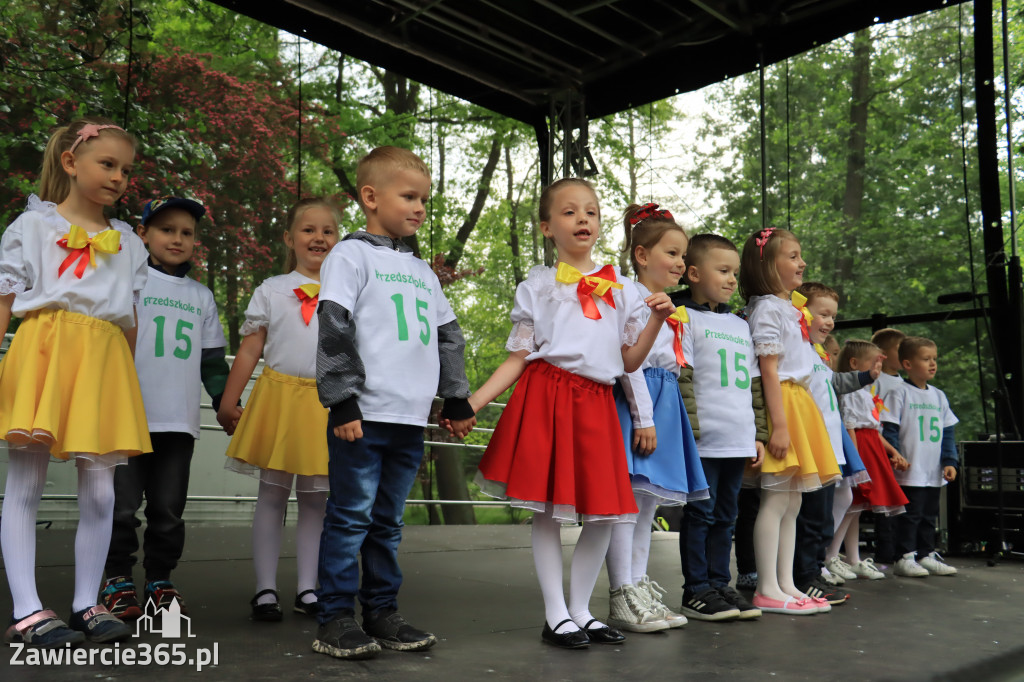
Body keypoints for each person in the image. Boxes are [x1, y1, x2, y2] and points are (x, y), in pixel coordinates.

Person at [472, 178, 674, 650]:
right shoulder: (539, 285)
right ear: (547, 227)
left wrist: (658, 320)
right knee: (548, 512)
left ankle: (582, 609)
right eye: (569, 212)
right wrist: (473, 402)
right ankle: (555, 613)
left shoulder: (622, 289)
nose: (583, 219)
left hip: (600, 403)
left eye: (591, 211)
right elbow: (518, 357)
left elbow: (629, 362)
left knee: (604, 513)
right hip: (548, 397)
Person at [313, 147, 475, 660]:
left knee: (388, 521)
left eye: (423, 198)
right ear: (370, 197)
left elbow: (448, 336)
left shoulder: (422, 271)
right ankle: (335, 618)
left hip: (409, 419)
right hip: (362, 417)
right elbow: (334, 323)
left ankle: (381, 612)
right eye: (408, 196)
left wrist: (456, 397)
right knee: (350, 517)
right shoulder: (350, 255)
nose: (420, 206)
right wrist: (340, 401)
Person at [0, 118, 149, 646]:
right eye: (107, 164)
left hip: (104, 363)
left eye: (125, 170)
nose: (118, 177)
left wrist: (125, 386)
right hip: (45, 353)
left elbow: (128, 320)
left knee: (103, 493)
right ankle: (27, 610)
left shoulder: (130, 243)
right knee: (26, 483)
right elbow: (4, 303)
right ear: (71, 162)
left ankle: (88, 601)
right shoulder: (31, 227)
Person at [102, 196, 228, 620]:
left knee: (168, 510)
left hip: (178, 422)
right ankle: (116, 580)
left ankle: (160, 581)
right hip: (125, 418)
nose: (177, 238)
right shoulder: (127, 282)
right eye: (166, 229)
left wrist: (228, 404)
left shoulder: (201, 296)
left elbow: (212, 363)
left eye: (186, 232)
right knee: (119, 507)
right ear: (143, 234)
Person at [217, 198, 339, 621]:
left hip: (324, 403)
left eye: (328, 230)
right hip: (278, 398)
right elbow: (251, 348)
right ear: (290, 238)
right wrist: (229, 401)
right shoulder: (271, 289)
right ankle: (265, 589)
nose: (318, 237)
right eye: (308, 229)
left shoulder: (348, 293)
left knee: (315, 500)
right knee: (271, 494)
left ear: (338, 241)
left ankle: (308, 588)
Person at [605, 204, 709, 633]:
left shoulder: (669, 307)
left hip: (665, 402)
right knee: (627, 504)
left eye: (683, 256)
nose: (681, 263)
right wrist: (643, 417)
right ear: (642, 255)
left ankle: (639, 584)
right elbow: (628, 362)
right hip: (639, 402)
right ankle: (621, 594)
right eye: (672, 253)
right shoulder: (630, 296)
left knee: (647, 504)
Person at [740, 227, 840, 615]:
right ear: (768, 264)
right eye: (793, 256)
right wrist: (777, 426)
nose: (802, 263)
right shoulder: (766, 307)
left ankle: (786, 583)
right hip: (783, 401)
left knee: (792, 501)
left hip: (799, 403)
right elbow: (768, 370)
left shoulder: (789, 307)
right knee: (776, 499)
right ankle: (767, 586)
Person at [672, 233, 765, 621]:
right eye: (722, 270)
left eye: (735, 273)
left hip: (738, 438)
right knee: (701, 514)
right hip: (705, 440)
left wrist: (759, 434)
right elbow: (684, 378)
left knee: (727, 516)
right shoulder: (684, 317)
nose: (731, 280)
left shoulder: (741, 325)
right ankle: (695, 590)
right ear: (693, 274)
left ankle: (719, 585)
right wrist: (691, 434)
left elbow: (756, 387)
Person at [794, 283, 877, 599]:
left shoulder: (818, 354)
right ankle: (804, 575)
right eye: (823, 314)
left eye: (833, 317)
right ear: (802, 312)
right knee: (811, 517)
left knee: (823, 518)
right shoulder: (799, 349)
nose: (829, 322)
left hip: (830, 447)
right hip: (811, 446)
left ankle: (815, 571)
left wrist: (866, 377)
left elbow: (834, 385)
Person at [882, 336, 960, 578]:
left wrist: (950, 461)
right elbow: (890, 429)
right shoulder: (899, 392)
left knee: (929, 515)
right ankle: (904, 557)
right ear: (907, 364)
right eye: (926, 359)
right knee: (909, 516)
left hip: (932, 470)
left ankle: (926, 554)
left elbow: (947, 432)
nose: (932, 364)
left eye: (934, 359)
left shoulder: (939, 396)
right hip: (909, 470)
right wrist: (895, 456)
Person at [837, 339, 909, 573]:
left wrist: (893, 451)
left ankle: (853, 558)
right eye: (873, 362)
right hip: (860, 448)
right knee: (851, 505)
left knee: (856, 508)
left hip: (871, 446)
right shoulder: (851, 392)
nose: (877, 366)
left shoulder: (867, 392)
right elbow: (850, 425)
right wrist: (856, 461)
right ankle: (830, 555)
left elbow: (874, 430)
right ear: (855, 363)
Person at [868, 327, 907, 566]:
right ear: (882, 353)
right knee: (882, 501)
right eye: (898, 349)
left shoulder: (904, 383)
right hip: (879, 445)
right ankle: (885, 550)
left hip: (897, 448)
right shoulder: (876, 380)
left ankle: (900, 549)